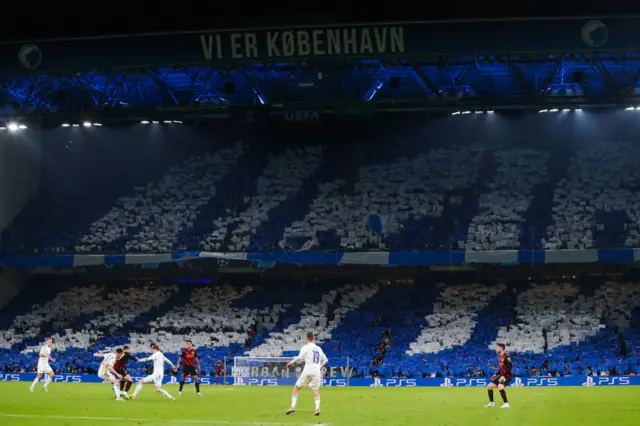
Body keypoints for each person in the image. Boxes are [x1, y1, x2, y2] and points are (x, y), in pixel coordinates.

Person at [285, 332, 327, 417]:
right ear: (313, 339)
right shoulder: (318, 348)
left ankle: (293, 407)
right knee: (315, 389)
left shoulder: (306, 347)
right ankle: (317, 409)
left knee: (297, 387)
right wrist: (319, 367)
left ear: (306, 338)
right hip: (316, 371)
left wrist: (290, 363)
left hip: (308, 369)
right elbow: (325, 360)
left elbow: (299, 357)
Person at [485, 343, 512, 409]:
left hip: (507, 375)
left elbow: (510, 367)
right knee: (489, 386)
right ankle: (492, 403)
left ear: (501, 348)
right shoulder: (499, 357)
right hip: (501, 374)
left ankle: (506, 403)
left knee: (500, 386)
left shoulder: (506, 356)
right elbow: (501, 368)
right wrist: (496, 374)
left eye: (497, 347)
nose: (496, 349)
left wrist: (504, 376)